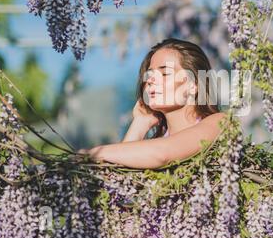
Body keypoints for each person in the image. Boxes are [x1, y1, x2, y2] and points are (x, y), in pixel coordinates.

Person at [78, 38, 226, 169]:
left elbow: (163, 154)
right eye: (149, 74)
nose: (150, 80)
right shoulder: (153, 147)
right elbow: (119, 175)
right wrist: (140, 123)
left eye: (165, 73)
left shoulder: (221, 122)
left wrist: (95, 153)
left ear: (194, 85)